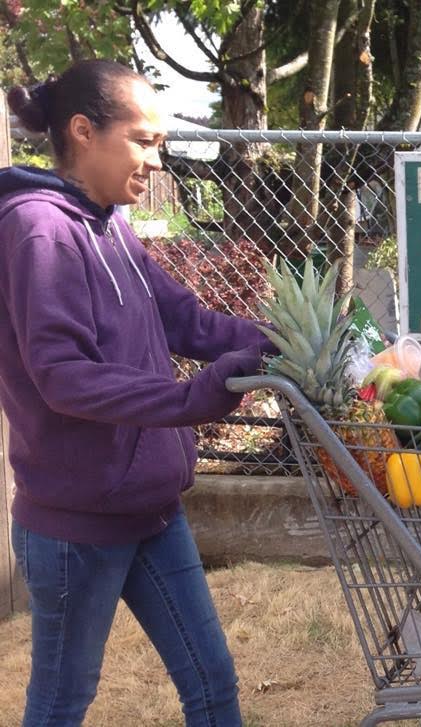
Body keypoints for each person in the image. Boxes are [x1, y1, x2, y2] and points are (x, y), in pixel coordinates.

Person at [0, 59, 271, 726]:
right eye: (144, 139)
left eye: (162, 143)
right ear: (84, 131)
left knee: (213, 685)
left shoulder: (109, 222)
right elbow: (63, 374)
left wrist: (275, 340)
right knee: (62, 703)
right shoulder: (38, 229)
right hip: (77, 528)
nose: (158, 158)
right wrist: (194, 397)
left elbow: (187, 320)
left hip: (152, 510)